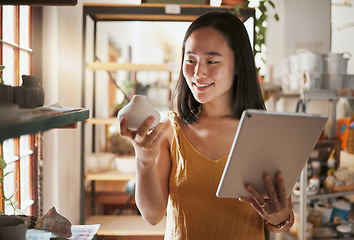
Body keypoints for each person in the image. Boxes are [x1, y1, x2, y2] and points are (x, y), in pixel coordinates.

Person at [120, 11, 294, 240]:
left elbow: (280, 222)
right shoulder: (170, 131)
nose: (198, 73)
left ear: (239, 65)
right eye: (190, 60)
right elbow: (152, 216)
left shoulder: (264, 133)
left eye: (212, 61)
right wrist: (143, 159)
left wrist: (279, 217)